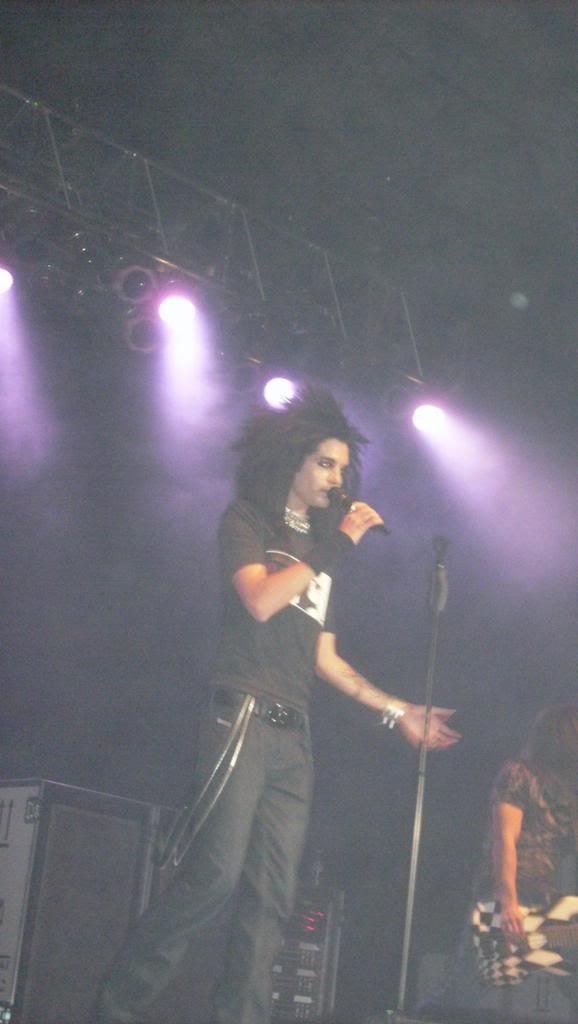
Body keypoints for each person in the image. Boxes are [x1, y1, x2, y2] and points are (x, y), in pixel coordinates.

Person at [97, 386, 460, 1024]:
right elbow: (261, 601)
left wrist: (396, 709)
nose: (336, 478)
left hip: (295, 738)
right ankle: (117, 1008)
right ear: (290, 459)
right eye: (324, 463)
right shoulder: (249, 522)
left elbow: (326, 658)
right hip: (242, 716)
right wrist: (336, 546)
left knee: (272, 897)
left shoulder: (322, 551)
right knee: (213, 877)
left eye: (342, 468)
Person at [419, 704, 578, 1023]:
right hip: (506, 894)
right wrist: (508, 902)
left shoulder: (566, 787)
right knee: (463, 986)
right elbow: (504, 840)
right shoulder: (518, 773)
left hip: (546, 897)